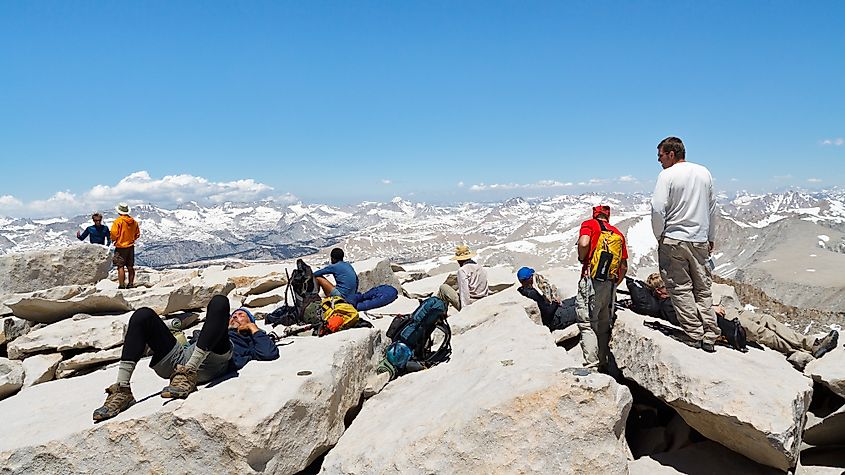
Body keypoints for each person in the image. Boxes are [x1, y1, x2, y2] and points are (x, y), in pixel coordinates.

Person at [92, 295, 279, 421]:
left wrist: (254, 330)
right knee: (143, 315)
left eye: (243, 316)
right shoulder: (210, 329)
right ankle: (122, 390)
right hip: (182, 358)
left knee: (220, 301)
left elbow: (268, 353)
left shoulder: (246, 340)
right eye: (234, 315)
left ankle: (188, 375)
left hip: (215, 360)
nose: (236, 317)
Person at [641, 273, 839, 361]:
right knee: (761, 332)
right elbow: (684, 319)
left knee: (767, 319)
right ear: (659, 292)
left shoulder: (677, 296)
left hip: (723, 312)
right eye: (666, 285)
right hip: (721, 321)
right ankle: (804, 351)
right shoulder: (668, 305)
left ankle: (811, 342)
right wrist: (709, 312)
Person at [651, 136, 720, 353]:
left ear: (671, 154)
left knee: (679, 288)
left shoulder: (666, 175)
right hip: (699, 239)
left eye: (660, 155)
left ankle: (694, 333)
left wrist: (659, 235)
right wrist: (710, 237)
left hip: (674, 239)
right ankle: (710, 333)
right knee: (703, 288)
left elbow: (657, 208)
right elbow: (712, 208)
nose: (659, 160)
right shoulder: (704, 172)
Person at [576, 205, 628, 371]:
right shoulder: (617, 233)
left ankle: (592, 366)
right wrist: (614, 284)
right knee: (604, 323)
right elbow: (624, 266)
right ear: (608, 216)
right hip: (610, 283)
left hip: (591, 280)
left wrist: (581, 257)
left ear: (595, 214)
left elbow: (584, 242)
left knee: (587, 323)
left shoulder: (589, 224)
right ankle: (603, 361)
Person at [516, 267, 576, 331]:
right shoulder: (532, 294)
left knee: (576, 300)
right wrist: (555, 302)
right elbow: (548, 312)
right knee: (581, 307)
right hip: (555, 319)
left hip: (554, 311)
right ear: (530, 278)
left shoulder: (521, 290)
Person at [437, 244, 489, 312]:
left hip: (471, 303)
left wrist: (465, 310)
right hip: (483, 301)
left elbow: (464, 291)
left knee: (443, 288)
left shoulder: (462, 270)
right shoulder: (480, 267)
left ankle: (440, 315)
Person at [110, 202, 141, 289]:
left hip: (120, 247)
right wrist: (132, 239)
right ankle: (131, 283)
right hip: (130, 246)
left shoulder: (118, 222)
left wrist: (114, 239)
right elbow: (137, 234)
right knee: (130, 266)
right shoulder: (134, 222)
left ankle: (121, 285)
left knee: (120, 266)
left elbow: (113, 233)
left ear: (119, 211)